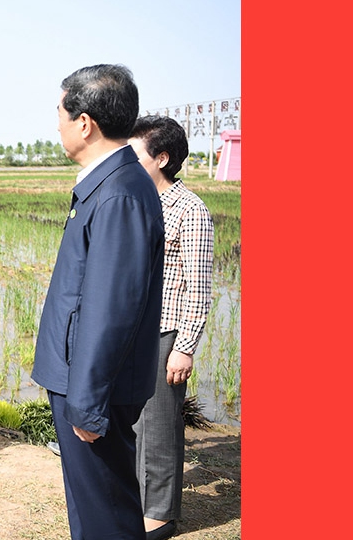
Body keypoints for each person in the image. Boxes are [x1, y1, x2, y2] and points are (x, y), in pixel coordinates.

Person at [30, 64, 165, 539]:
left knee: (105, 511)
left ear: (84, 123)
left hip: (90, 388)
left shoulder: (119, 194)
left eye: (61, 115)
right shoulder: (110, 185)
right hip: (80, 378)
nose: (58, 127)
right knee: (92, 507)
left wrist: (88, 404)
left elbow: (112, 310)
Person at [129, 115, 215, 540]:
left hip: (166, 333)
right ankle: (136, 499)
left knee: (160, 427)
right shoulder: (140, 199)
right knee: (133, 422)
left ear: (162, 158)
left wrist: (185, 347)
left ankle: (160, 514)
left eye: (136, 153)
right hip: (133, 330)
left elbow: (198, 287)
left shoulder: (191, 210)